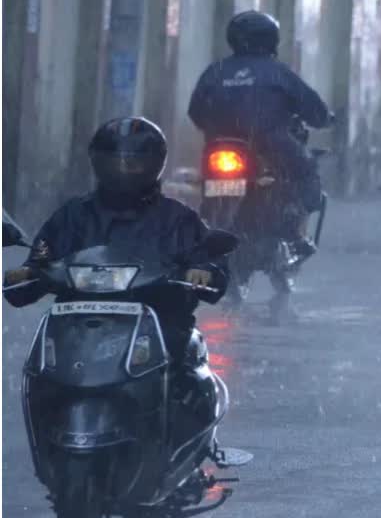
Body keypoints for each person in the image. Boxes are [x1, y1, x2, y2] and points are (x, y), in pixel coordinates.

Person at [3, 117, 230, 439]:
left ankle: (183, 449)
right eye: (116, 161)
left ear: (154, 164)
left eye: (136, 162)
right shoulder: (73, 215)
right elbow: (39, 263)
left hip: (158, 321)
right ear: (98, 162)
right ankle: (49, 434)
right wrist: (27, 273)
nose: (125, 169)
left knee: (186, 370)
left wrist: (204, 272)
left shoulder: (177, 218)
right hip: (77, 324)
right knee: (41, 369)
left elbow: (211, 267)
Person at [187, 10, 333, 258]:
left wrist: (215, 132)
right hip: (270, 143)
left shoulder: (215, 71)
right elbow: (312, 108)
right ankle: (296, 235)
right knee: (306, 169)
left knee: (208, 186)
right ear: (271, 39)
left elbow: (195, 111)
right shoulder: (277, 72)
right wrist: (324, 118)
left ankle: (207, 233)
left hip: (219, 148)